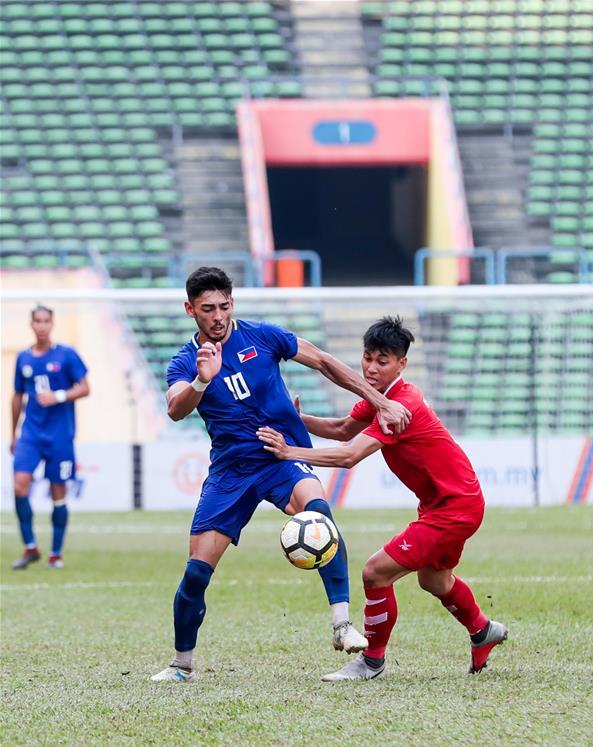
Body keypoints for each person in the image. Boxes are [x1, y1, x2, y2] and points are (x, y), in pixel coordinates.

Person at [151, 267, 412, 683]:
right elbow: (175, 407)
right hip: (231, 472)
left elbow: (325, 362)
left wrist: (379, 400)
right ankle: (182, 663)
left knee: (319, 514)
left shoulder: (263, 336)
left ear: (232, 304)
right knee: (197, 572)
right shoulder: (186, 361)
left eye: (223, 306)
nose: (217, 316)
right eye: (207, 309)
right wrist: (202, 381)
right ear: (190, 310)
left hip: (281, 455)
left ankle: (342, 623)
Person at [258, 315, 508, 681]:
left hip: (454, 507)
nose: (371, 368)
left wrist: (289, 451)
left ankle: (371, 662)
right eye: (367, 358)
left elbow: (349, 455)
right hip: (448, 502)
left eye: (383, 361)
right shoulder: (381, 399)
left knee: (375, 573)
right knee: (435, 581)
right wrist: (301, 419)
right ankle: (483, 630)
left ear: (401, 364)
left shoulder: (401, 407)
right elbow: (344, 430)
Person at [10, 305, 90, 570]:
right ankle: (30, 547)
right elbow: (17, 396)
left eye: (46, 321)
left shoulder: (66, 355)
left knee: (58, 493)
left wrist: (59, 395)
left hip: (59, 437)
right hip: (30, 434)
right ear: (31, 324)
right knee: (20, 485)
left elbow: (85, 387)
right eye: (37, 321)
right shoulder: (23, 358)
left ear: (52, 324)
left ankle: (55, 554)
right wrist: (13, 433)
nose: (42, 326)